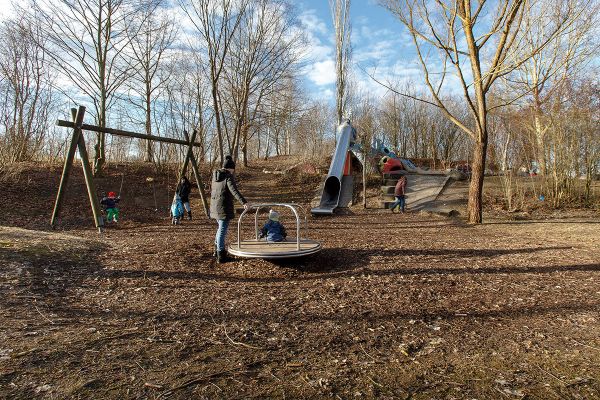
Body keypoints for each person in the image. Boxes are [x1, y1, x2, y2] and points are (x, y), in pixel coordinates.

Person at [210, 155, 249, 263]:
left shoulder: (215, 176)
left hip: (215, 207)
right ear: (230, 168)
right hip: (223, 207)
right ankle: (221, 255)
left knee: (220, 229)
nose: (233, 171)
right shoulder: (227, 176)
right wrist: (243, 202)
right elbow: (233, 190)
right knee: (222, 230)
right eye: (233, 169)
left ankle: (216, 250)